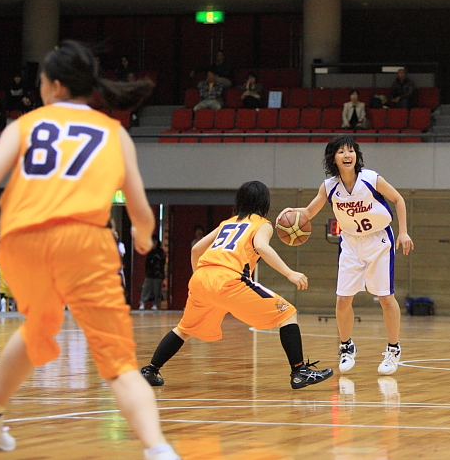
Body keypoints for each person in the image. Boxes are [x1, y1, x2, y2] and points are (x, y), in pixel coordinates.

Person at [0, 40, 180, 460]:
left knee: (39, 325)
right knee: (118, 364)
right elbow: (139, 208)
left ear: (55, 85)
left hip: (19, 241)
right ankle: (157, 449)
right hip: (82, 241)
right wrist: (145, 236)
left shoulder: (26, 124)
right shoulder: (113, 133)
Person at [140, 181, 333, 390]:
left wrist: (201, 281)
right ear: (264, 203)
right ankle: (299, 371)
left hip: (201, 278)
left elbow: (196, 250)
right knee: (287, 313)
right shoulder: (262, 224)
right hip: (229, 279)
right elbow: (260, 246)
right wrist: (290, 273)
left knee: (184, 329)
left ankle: (151, 370)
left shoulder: (228, 222)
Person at [277, 136, 414, 375]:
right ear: (334, 159)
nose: (347, 155)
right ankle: (346, 346)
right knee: (342, 300)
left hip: (379, 240)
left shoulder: (371, 179)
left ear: (356, 156)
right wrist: (290, 212)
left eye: (351, 151)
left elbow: (398, 199)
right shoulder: (329, 186)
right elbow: (310, 212)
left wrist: (403, 232)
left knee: (385, 298)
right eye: (341, 152)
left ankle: (393, 349)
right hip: (350, 242)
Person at [139, 238, 165, 310]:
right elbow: (147, 263)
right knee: (146, 288)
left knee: (157, 290)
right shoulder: (150, 252)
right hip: (150, 273)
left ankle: (156, 304)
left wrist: (160, 273)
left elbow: (162, 263)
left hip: (158, 274)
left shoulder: (161, 252)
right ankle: (142, 302)